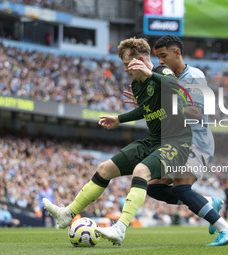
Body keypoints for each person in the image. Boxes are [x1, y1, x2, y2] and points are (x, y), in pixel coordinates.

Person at [43, 37, 192, 246]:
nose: (125, 70)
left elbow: (178, 89)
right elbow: (146, 108)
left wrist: (150, 74)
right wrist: (119, 118)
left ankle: (120, 228)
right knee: (105, 169)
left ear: (140, 60)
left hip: (176, 143)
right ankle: (67, 213)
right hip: (154, 141)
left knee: (141, 171)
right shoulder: (137, 85)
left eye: (126, 65)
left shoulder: (161, 72)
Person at [123, 35, 228, 246]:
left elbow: (194, 112)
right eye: (157, 56)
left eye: (163, 55)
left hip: (197, 141)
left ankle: (227, 229)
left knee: (180, 188)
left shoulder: (192, 76)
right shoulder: (167, 79)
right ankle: (207, 202)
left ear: (177, 53)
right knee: (154, 188)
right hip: (179, 144)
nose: (160, 61)